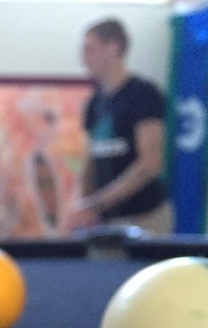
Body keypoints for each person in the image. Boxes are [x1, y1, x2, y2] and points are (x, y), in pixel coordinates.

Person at [65, 18, 172, 234]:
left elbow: (150, 163)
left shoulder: (143, 94)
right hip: (105, 221)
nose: (83, 58)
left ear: (113, 48)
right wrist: (79, 204)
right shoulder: (94, 104)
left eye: (89, 49)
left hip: (145, 217)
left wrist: (96, 203)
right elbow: (90, 161)